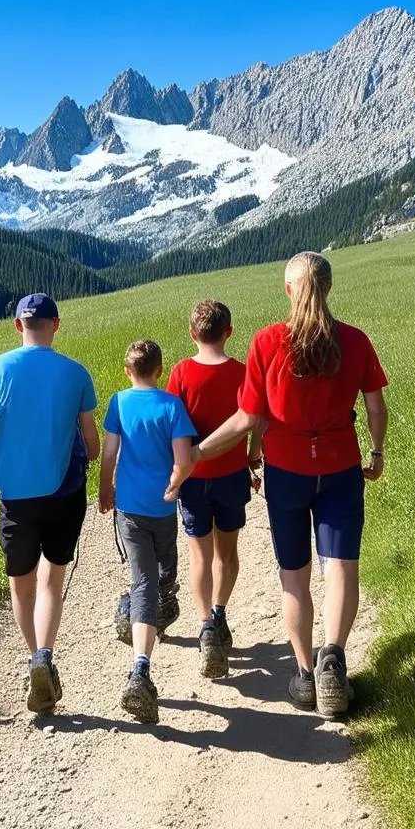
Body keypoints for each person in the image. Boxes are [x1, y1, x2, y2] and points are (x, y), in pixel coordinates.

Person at [170, 253, 388, 718]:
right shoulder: (354, 340)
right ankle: (335, 659)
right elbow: (374, 406)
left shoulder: (268, 342)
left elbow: (248, 418)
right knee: (341, 566)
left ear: (289, 290)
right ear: (328, 288)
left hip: (287, 472)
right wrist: (377, 451)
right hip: (341, 466)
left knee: (295, 574)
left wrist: (196, 454)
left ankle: (306, 675)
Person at [0, 293, 99, 715]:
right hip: (64, 493)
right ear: (56, 325)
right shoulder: (76, 373)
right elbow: (91, 442)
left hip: (14, 496)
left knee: (21, 585)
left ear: (17, 326)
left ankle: (36, 658)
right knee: (51, 581)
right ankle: (45, 654)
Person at [99, 339, 196, 723]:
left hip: (130, 508)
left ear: (128, 371)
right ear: (160, 370)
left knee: (146, 580)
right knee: (159, 577)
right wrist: (174, 486)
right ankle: (141, 658)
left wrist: (106, 488)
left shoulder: (118, 403)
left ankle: (137, 628)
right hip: (162, 508)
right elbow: (183, 458)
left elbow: (109, 453)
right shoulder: (172, 405)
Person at [166, 299, 261, 679]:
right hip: (232, 475)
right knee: (228, 553)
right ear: (230, 332)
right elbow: (257, 420)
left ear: (192, 333)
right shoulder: (242, 373)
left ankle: (205, 623)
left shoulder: (181, 373)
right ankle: (220, 614)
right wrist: (254, 454)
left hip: (192, 479)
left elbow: (173, 426)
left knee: (200, 556)